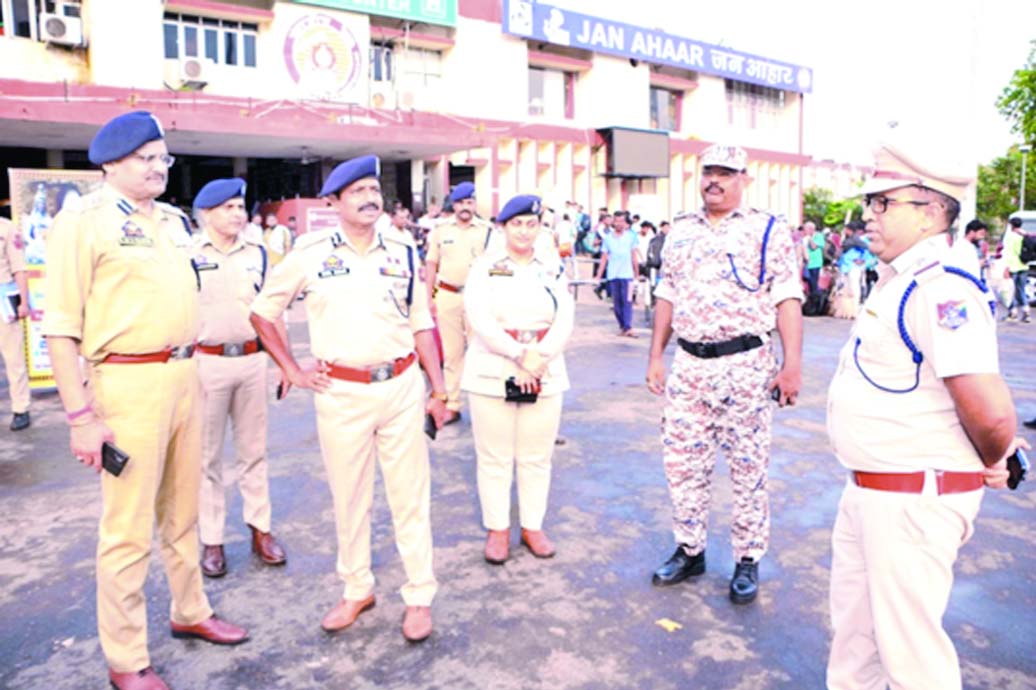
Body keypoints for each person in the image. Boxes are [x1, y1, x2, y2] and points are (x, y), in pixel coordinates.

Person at [42, 111, 248, 690]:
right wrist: (80, 416)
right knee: (128, 529)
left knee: (183, 512)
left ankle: (191, 611)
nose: (160, 167)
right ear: (111, 162)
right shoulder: (82, 221)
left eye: (165, 158)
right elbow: (60, 326)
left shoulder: (177, 222)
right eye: (147, 158)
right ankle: (127, 658)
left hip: (187, 375)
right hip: (126, 385)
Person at [825, 139, 1028, 690]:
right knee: (855, 648)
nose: (869, 213)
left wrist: (995, 456)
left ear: (932, 210)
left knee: (912, 663)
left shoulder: (939, 289)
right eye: (872, 202)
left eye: (884, 202)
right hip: (873, 492)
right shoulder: (900, 282)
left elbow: (989, 413)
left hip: (912, 500)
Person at [249, 154, 447, 643]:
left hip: (401, 387)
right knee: (349, 497)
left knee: (410, 499)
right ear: (333, 202)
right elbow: (262, 311)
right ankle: (357, 588)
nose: (369, 198)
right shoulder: (310, 252)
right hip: (340, 393)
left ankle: (419, 595)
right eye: (356, 191)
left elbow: (421, 322)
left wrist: (439, 389)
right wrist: (291, 368)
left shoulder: (403, 249)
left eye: (374, 189)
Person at [645, 143, 803, 605]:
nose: (714, 181)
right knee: (682, 463)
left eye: (725, 173)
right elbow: (666, 293)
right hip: (690, 365)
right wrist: (657, 355)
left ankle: (747, 559)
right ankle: (690, 549)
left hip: (747, 367)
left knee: (748, 467)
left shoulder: (768, 229)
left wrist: (791, 364)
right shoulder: (681, 230)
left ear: (743, 179)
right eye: (708, 172)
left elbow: (787, 297)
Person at [462, 194, 574, 564]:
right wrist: (519, 354)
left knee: (536, 455)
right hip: (495, 365)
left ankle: (532, 525)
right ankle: (498, 529)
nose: (524, 231)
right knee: (494, 455)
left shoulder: (552, 266)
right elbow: (480, 318)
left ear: (539, 227)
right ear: (503, 227)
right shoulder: (485, 267)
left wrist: (539, 357)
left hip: (544, 366)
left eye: (531, 224)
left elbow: (565, 318)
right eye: (516, 224)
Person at [191, 178, 288, 579]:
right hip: (206, 363)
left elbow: (274, 311)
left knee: (254, 452)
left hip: (252, 361)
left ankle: (260, 530)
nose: (238, 213)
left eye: (240, 206)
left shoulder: (260, 254)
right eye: (228, 207)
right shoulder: (188, 254)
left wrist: (286, 362)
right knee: (206, 457)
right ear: (207, 213)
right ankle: (212, 539)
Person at [424, 182, 494, 425]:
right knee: (452, 354)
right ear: (453, 205)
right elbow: (431, 264)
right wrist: (428, 298)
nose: (466, 207)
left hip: (477, 298)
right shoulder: (441, 230)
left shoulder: (487, 231)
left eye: (470, 202)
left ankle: (482, 404)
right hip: (447, 296)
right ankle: (452, 404)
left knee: (480, 350)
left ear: (475, 204)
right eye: (461, 203)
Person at [0, 216, 31, 431]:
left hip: (2, 298)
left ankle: (21, 408)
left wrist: (23, 302)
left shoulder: (6, 228)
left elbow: (19, 267)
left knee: (13, 357)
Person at [595, 210, 640, 337]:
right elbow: (604, 258)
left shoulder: (631, 237)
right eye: (617, 221)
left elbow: (634, 256)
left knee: (627, 301)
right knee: (616, 304)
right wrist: (598, 275)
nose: (619, 224)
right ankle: (622, 326)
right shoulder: (608, 239)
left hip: (628, 276)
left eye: (622, 221)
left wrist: (637, 274)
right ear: (613, 222)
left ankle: (628, 327)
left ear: (625, 223)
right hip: (613, 275)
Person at [1003, 216, 1030, 322]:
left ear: (1011, 225)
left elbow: (1008, 253)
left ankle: (1013, 313)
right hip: (1024, 265)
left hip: (1012, 266)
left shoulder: (1010, 237)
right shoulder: (1024, 235)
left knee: (1010, 291)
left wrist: (1006, 268)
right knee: (1021, 290)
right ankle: (1026, 312)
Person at [804, 220, 824, 294]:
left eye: (806, 229)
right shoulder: (805, 237)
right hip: (806, 263)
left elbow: (813, 247)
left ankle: (815, 298)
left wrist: (810, 238)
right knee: (808, 282)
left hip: (815, 263)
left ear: (811, 229)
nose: (805, 231)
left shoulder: (818, 236)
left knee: (814, 282)